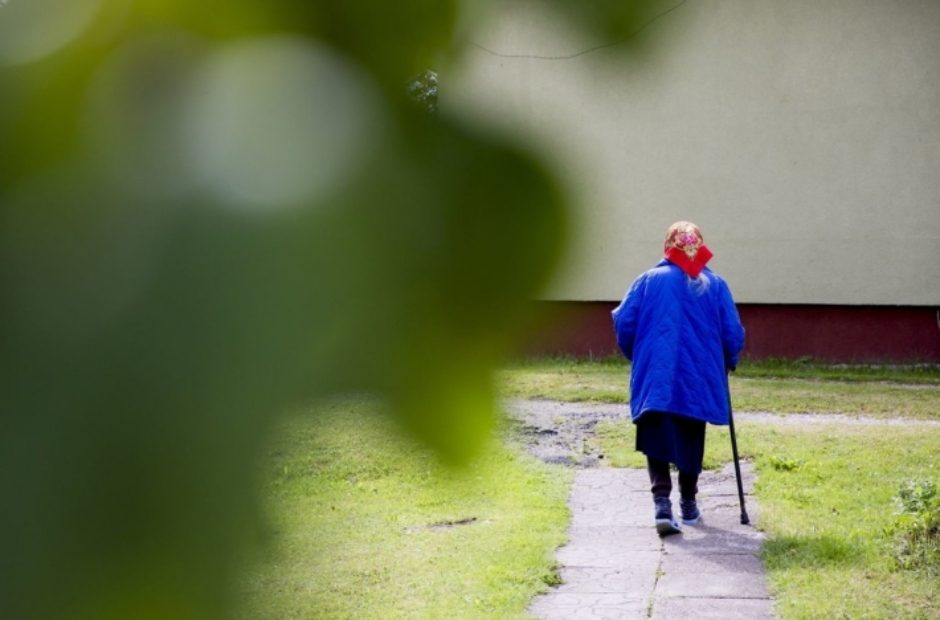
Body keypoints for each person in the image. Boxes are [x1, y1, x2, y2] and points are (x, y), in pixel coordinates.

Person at [611, 221, 745, 536]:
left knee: (655, 433)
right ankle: (688, 504)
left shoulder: (648, 281)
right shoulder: (716, 285)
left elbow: (624, 323)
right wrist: (730, 360)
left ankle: (661, 505)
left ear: (668, 246)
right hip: (697, 376)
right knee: (690, 433)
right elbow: (732, 333)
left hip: (657, 374)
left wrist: (638, 354)